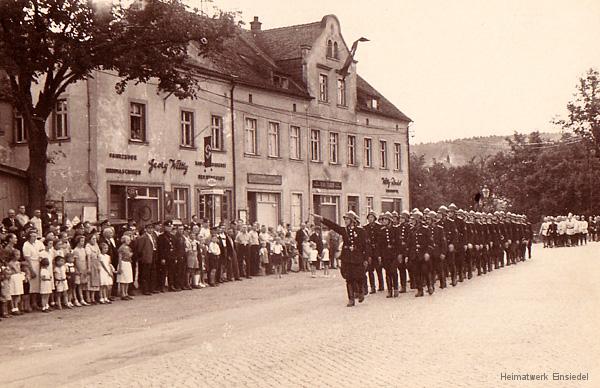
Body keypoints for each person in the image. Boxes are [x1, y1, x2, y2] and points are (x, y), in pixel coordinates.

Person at [313, 211, 370, 307]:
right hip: (347, 258)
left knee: (359, 277)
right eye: (345, 219)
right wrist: (321, 219)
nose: (346, 221)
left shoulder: (361, 231)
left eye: (347, 219)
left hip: (357, 258)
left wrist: (365, 258)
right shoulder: (344, 230)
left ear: (352, 220)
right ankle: (351, 299)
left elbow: (366, 246)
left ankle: (361, 292)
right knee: (349, 279)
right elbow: (333, 226)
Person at [22, 231, 44, 310]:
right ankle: (31, 303)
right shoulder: (26, 245)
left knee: (37, 285)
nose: (35, 238)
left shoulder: (38, 243)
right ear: (29, 237)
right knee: (31, 285)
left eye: (35, 236)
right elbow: (27, 259)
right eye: (33, 236)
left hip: (39, 264)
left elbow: (42, 252)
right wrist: (31, 270)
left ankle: (37, 302)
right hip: (31, 264)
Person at [72, 235, 89, 306]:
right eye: (81, 241)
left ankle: (82, 299)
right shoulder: (76, 250)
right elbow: (75, 261)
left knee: (81, 285)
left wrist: (85, 269)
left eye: (83, 241)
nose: (83, 242)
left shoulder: (83, 249)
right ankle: (75, 299)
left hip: (83, 268)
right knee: (76, 285)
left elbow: (85, 260)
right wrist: (78, 270)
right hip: (78, 270)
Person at [85, 233, 101, 304]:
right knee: (89, 282)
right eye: (93, 239)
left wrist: (99, 265)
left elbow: (98, 255)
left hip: (96, 263)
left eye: (95, 239)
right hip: (90, 263)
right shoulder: (88, 246)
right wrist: (88, 267)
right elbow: (88, 257)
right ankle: (88, 298)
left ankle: (93, 297)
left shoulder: (96, 246)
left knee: (95, 281)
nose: (94, 240)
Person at [8, 250, 24, 315]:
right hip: (13, 278)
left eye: (19, 255)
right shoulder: (10, 263)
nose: (18, 256)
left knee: (18, 294)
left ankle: (16, 307)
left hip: (17, 278)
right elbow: (14, 271)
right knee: (13, 293)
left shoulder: (18, 263)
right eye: (17, 255)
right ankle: (13, 308)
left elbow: (19, 271)